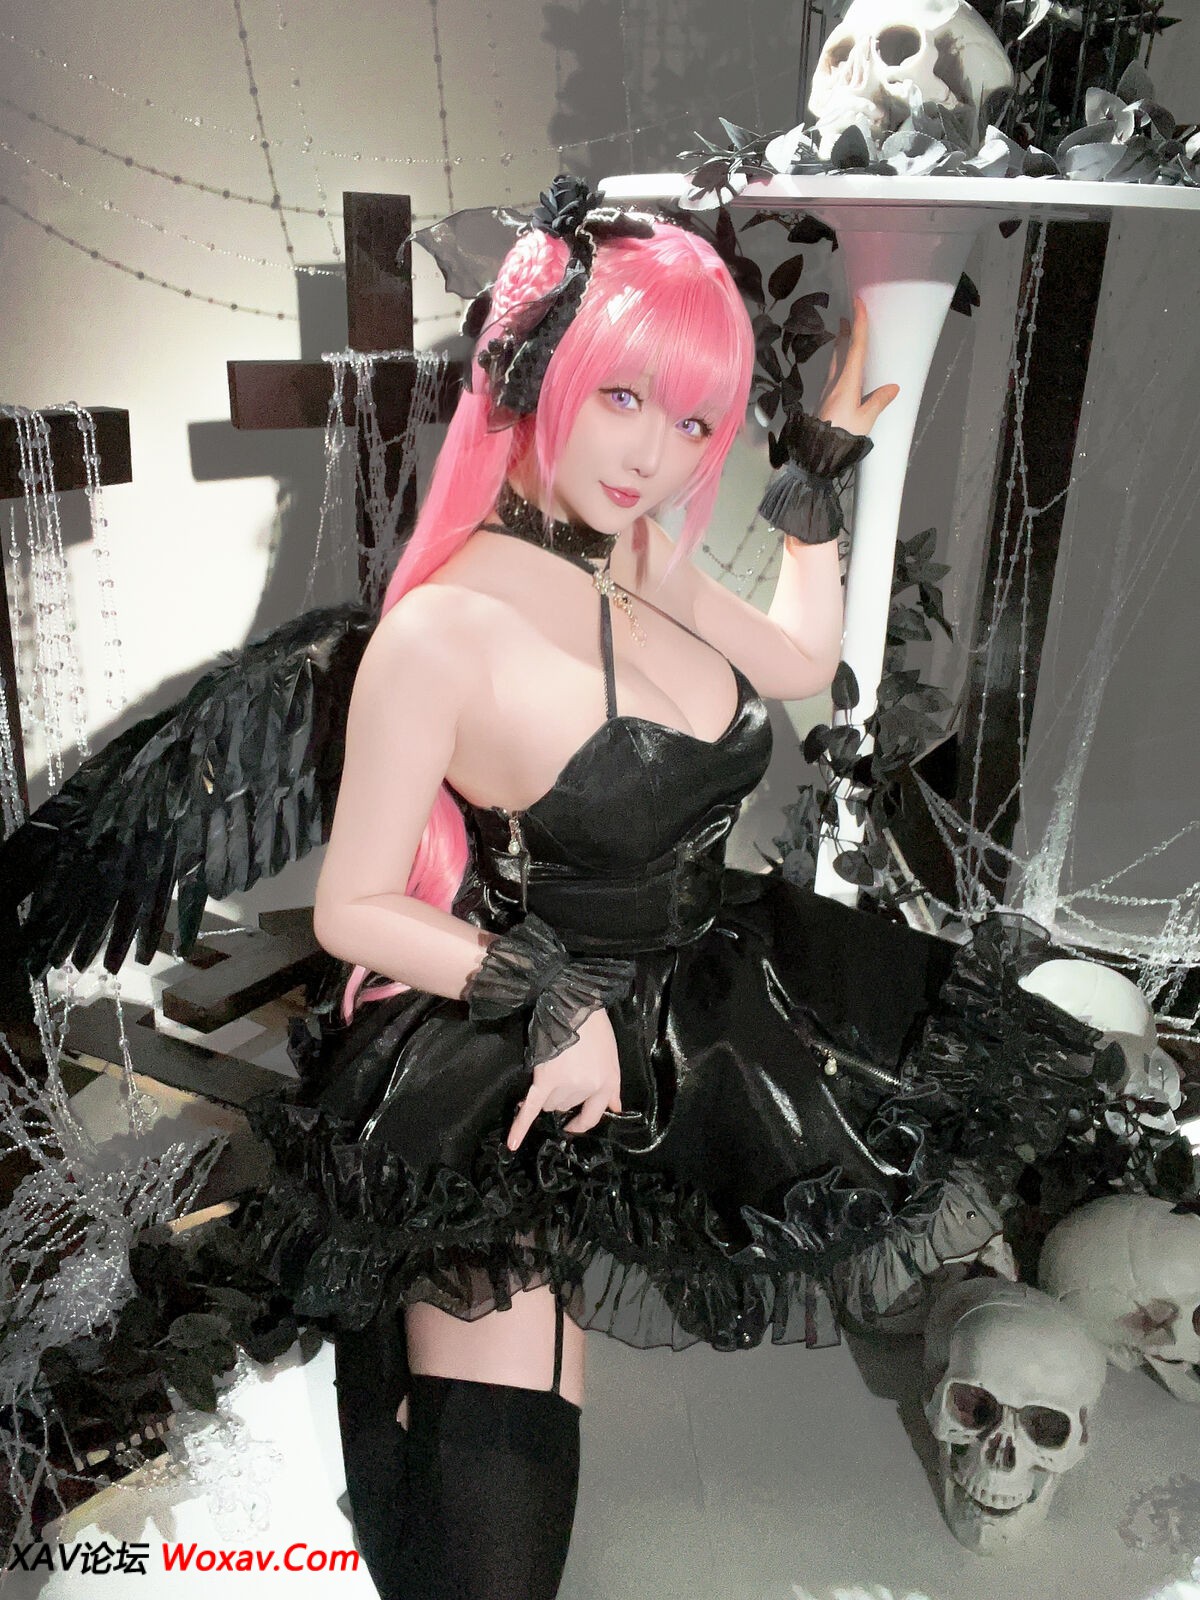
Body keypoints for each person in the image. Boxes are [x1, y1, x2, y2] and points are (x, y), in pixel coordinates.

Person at [225, 188, 1117, 1600]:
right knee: (498, 1505)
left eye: (697, 421)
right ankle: (383, 1390)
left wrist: (815, 482)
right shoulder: (442, 631)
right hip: (516, 1051)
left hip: (701, 1011)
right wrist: (546, 998)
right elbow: (353, 907)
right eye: (625, 397)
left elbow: (797, 663)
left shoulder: (638, 552)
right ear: (538, 375)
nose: (655, 453)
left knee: (517, 1452)